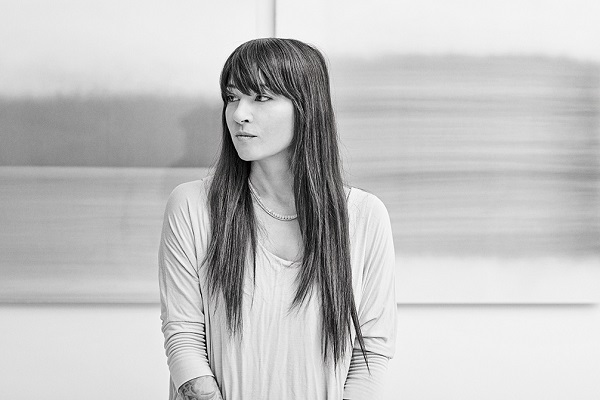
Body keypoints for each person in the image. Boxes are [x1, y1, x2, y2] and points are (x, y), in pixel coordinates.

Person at [158, 38, 396, 400]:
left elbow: (371, 353)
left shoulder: (364, 216)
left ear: (306, 107)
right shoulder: (192, 205)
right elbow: (183, 338)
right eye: (232, 97)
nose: (239, 114)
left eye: (261, 97)